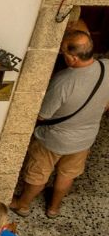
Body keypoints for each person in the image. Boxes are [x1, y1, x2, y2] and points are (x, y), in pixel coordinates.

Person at [10, 30, 109, 219]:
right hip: (85, 139)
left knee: (39, 173)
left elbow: (43, 116)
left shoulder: (63, 81)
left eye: (63, 52)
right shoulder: (107, 68)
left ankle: (22, 205)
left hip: (53, 139)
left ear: (73, 58)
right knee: (67, 174)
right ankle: (53, 209)